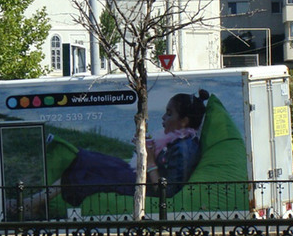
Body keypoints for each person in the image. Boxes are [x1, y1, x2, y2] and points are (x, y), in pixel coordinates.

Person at [11, 90, 209, 216]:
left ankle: (31, 203)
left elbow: (167, 191)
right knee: (88, 159)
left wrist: (149, 160)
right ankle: (34, 202)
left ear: (184, 121)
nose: (164, 118)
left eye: (169, 113)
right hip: (137, 176)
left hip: (141, 186)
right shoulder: (178, 142)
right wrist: (143, 150)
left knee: (88, 164)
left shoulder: (184, 149)